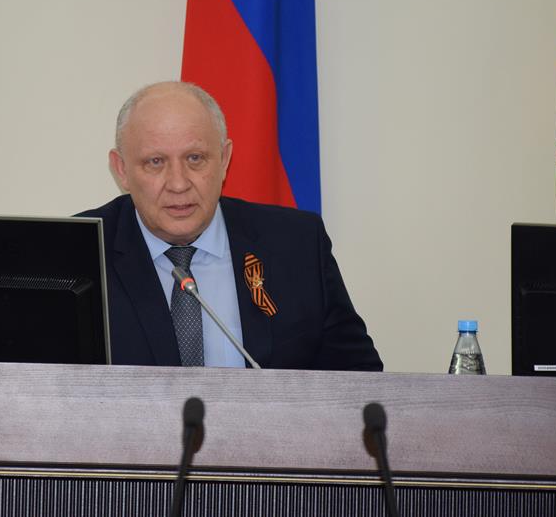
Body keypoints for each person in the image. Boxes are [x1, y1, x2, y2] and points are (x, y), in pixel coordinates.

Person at [79, 81, 382, 370]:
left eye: (195, 158)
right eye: (155, 162)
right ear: (121, 169)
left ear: (224, 159)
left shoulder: (296, 244)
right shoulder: (79, 252)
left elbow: (359, 377)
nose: (178, 183)